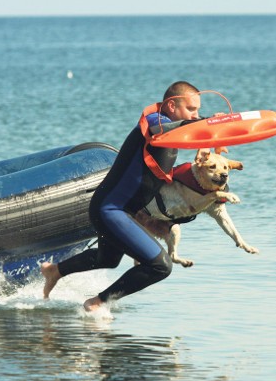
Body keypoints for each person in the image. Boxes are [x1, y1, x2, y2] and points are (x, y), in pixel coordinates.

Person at [41, 81, 202, 311]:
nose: (195, 115)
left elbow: (192, 131)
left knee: (108, 259)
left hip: (118, 211)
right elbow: (163, 130)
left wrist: (215, 127)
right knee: (161, 266)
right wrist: (203, 123)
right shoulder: (157, 120)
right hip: (110, 211)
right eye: (191, 109)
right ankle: (96, 303)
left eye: (198, 110)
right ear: (172, 105)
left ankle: (54, 271)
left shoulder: (176, 124)